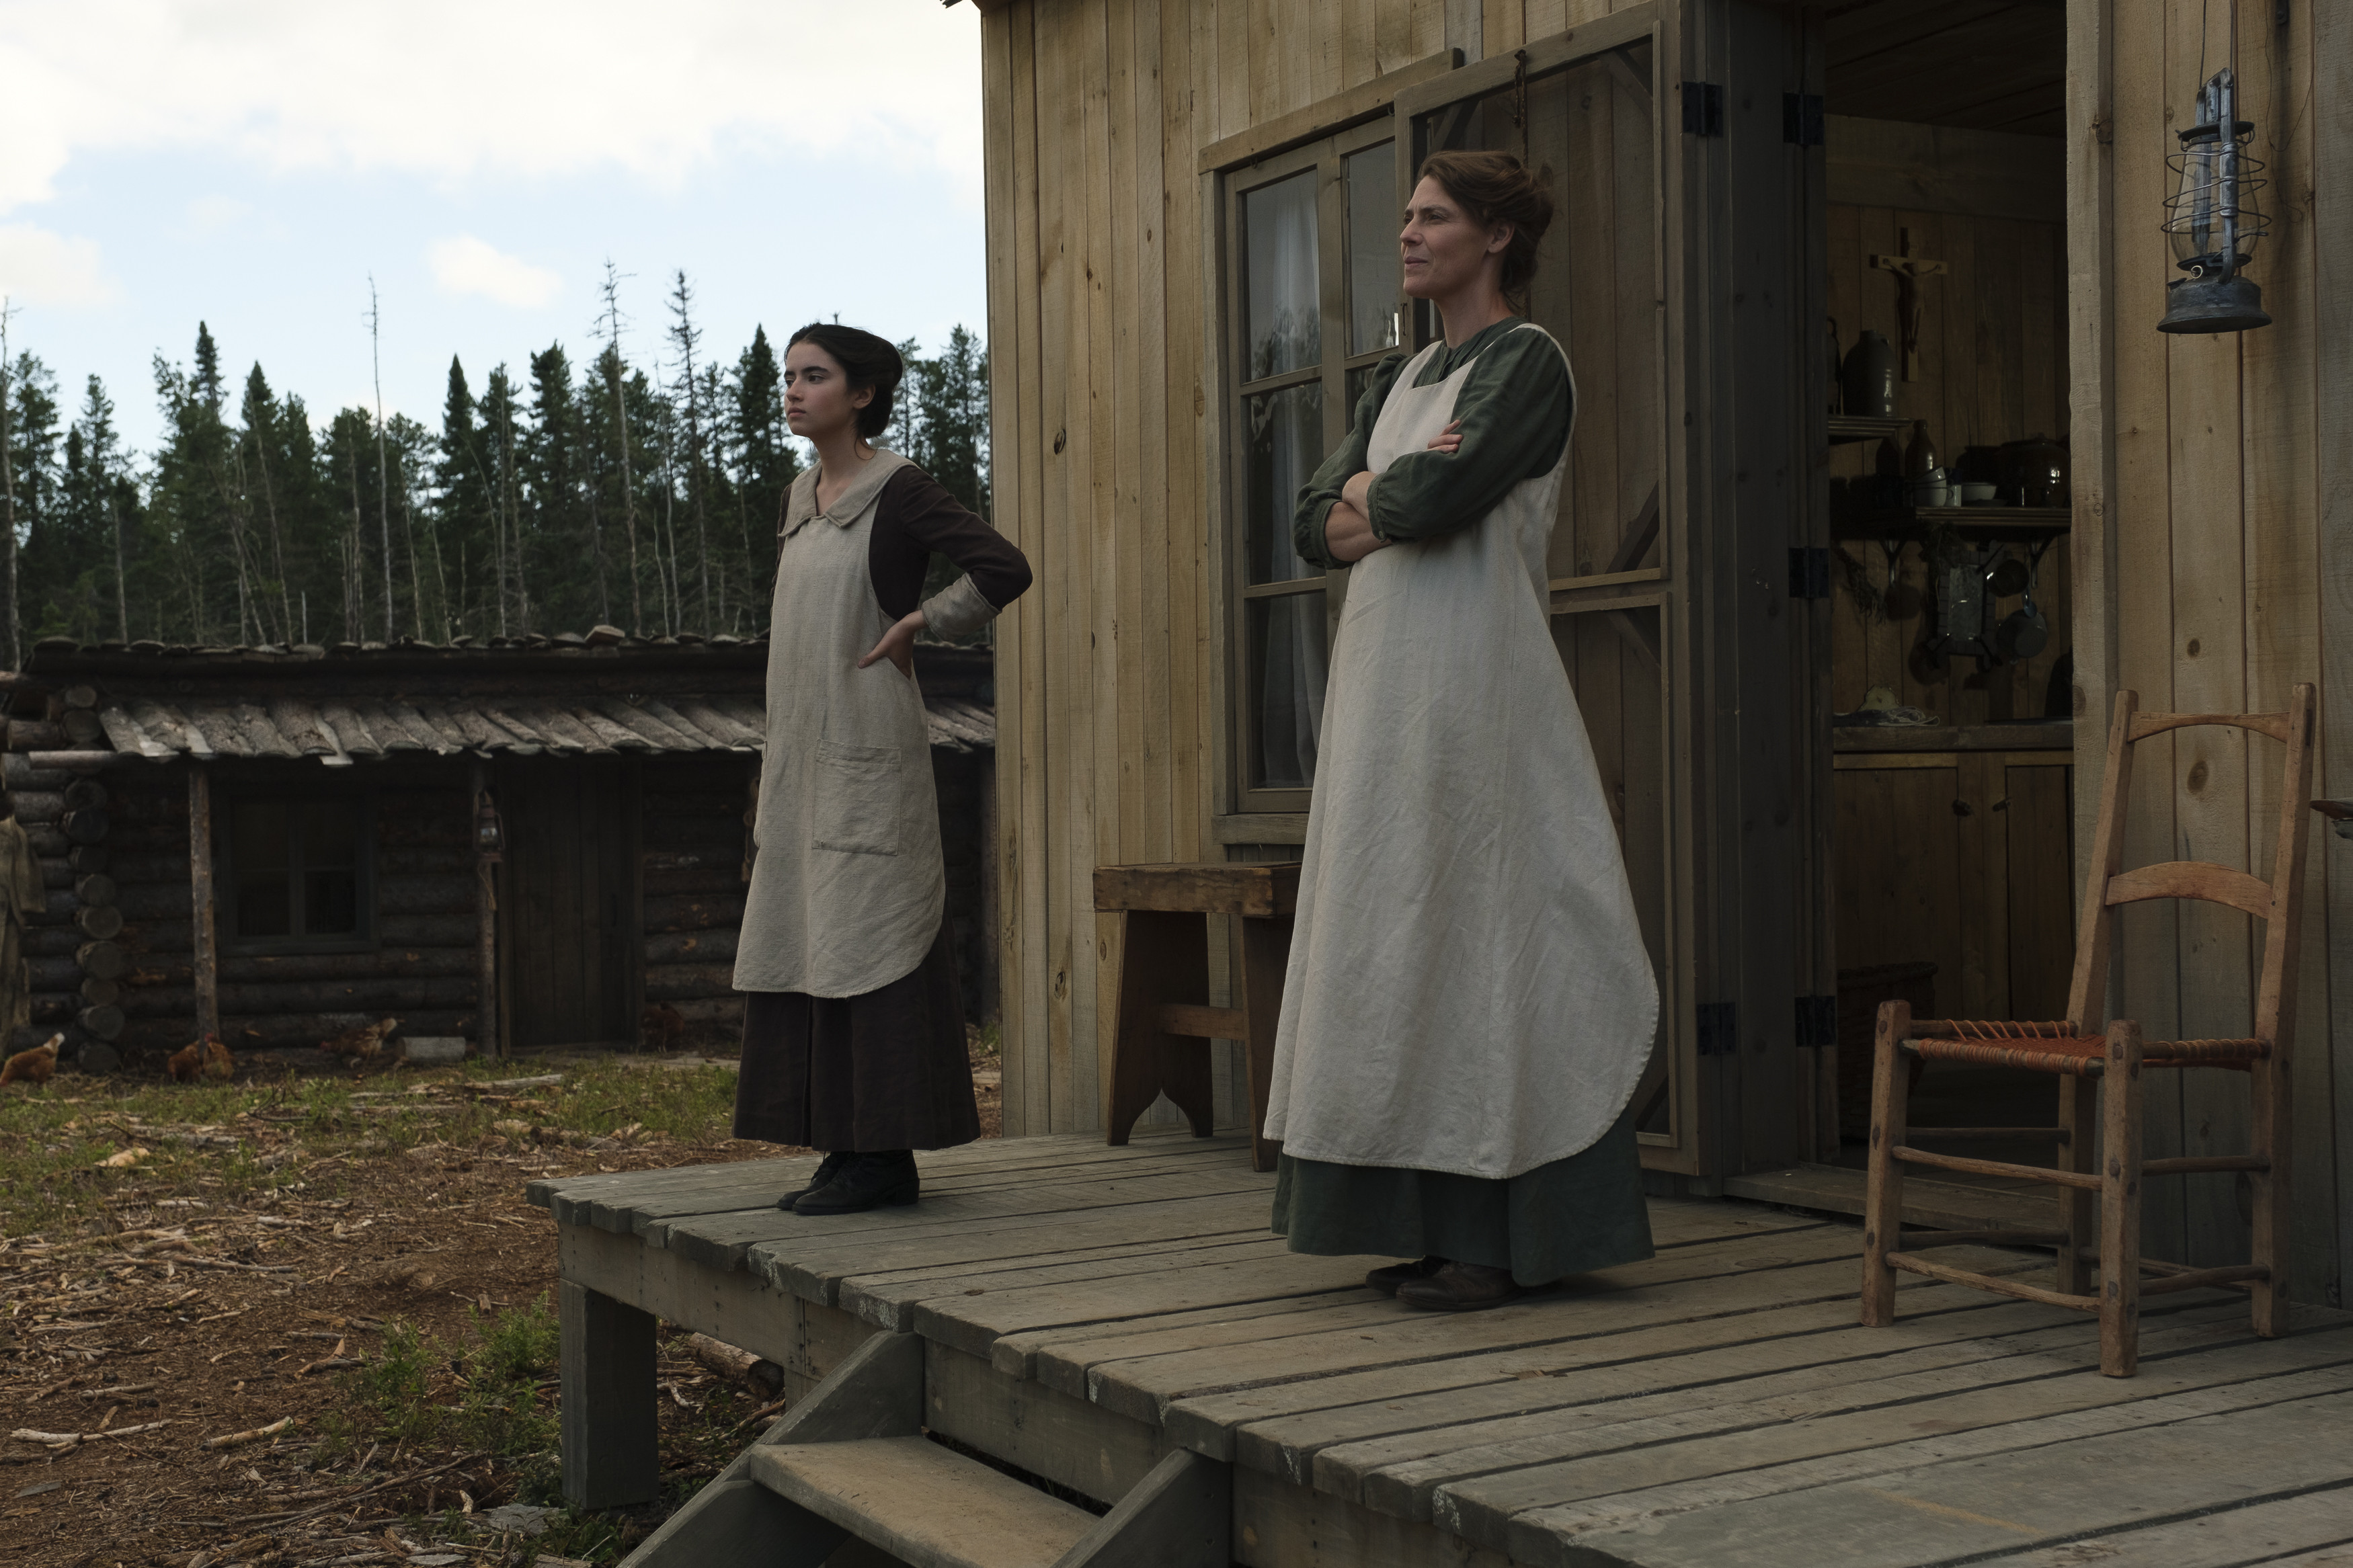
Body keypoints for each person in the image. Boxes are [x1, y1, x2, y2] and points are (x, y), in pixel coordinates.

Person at [1262, 151, 1661, 1312]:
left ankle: (1500, 1231)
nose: (1410, 232)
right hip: (1386, 700)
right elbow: (1303, 523)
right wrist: (1384, 495)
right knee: (1398, 945)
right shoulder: (1405, 378)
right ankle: (1423, 1219)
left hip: (1478, 695)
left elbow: (1435, 500)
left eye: (1434, 216)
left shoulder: (1526, 363)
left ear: (1495, 238)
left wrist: (1375, 501)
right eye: (1408, 216)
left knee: (1487, 937)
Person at [732, 323, 1032, 1215]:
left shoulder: (896, 489)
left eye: (813, 376)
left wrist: (925, 622)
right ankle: (841, 1147)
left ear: (861, 394)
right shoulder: (799, 496)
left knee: (872, 938)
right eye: (787, 377)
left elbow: (1001, 566)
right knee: (810, 937)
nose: (793, 390)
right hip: (802, 756)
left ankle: (884, 1158)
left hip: (868, 751)